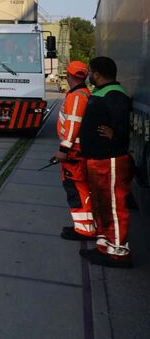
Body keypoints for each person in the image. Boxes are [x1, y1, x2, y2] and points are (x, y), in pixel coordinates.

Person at [79, 56, 134, 268]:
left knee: (113, 206)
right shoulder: (101, 92)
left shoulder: (115, 95)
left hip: (110, 158)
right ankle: (104, 246)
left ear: (97, 74)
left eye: (90, 71)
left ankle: (119, 252)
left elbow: (122, 124)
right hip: (97, 158)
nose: (88, 75)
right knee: (101, 204)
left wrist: (116, 135)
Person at [53, 61, 94, 241]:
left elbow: (73, 124)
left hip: (74, 151)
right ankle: (84, 226)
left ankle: (85, 230)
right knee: (79, 188)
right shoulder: (82, 93)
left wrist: (64, 149)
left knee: (77, 189)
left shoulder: (77, 96)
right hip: (76, 149)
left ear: (68, 76)